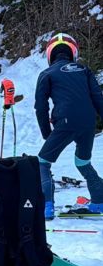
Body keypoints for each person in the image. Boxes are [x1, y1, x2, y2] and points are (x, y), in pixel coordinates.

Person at [35, 32, 103, 219]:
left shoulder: (47, 74)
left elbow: (41, 107)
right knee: (83, 162)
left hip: (65, 121)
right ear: (73, 52)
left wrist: (47, 133)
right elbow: (98, 97)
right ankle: (99, 201)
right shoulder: (84, 70)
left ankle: (46, 207)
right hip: (88, 122)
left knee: (42, 162)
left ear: (50, 54)